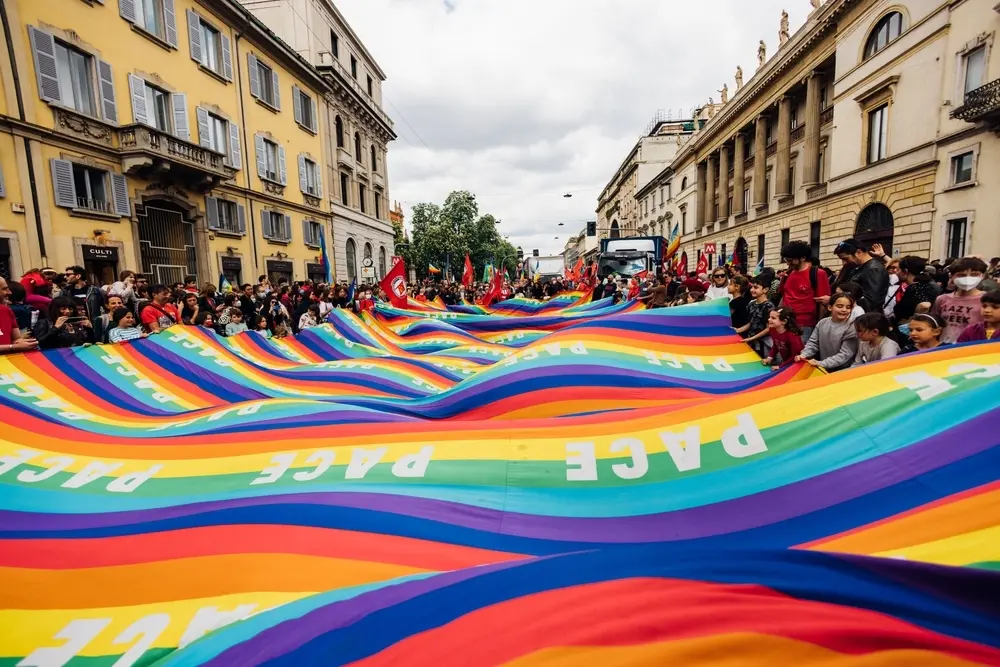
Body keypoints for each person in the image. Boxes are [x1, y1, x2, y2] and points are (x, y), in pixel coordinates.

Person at [778, 240, 830, 343]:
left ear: (803, 258)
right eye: (786, 260)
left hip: (805, 325)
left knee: (800, 355)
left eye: (791, 260)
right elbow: (783, 295)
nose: (788, 263)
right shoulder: (789, 273)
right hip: (785, 322)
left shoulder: (818, 274)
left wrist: (818, 327)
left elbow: (822, 303)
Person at [795, 293, 860, 373]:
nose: (844, 310)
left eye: (848, 307)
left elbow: (845, 354)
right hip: (824, 368)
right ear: (830, 307)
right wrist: (804, 354)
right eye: (839, 306)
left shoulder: (852, 327)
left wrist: (822, 363)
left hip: (844, 370)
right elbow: (813, 343)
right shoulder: (822, 323)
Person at [930, 257, 988, 343]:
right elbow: (933, 324)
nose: (968, 278)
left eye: (974, 274)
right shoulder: (942, 299)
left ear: (982, 276)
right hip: (942, 347)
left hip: (972, 348)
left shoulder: (988, 300)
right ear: (951, 276)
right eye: (961, 275)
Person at [833, 239, 889, 312]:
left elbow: (870, 302)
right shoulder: (857, 267)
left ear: (858, 252)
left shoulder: (874, 269)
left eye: (845, 259)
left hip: (865, 318)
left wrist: (840, 302)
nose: (844, 263)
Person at [0, 277, 39, 354]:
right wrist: (12, 347)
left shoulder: (6, 311)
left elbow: (17, 339)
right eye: (4, 289)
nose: (9, 292)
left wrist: (28, 343)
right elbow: (13, 346)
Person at [740, 277, 774, 357]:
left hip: (764, 344)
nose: (752, 290)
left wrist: (752, 338)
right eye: (751, 287)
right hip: (751, 341)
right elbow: (751, 322)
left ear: (765, 290)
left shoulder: (769, 306)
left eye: (755, 287)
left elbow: (768, 328)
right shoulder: (751, 304)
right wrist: (738, 330)